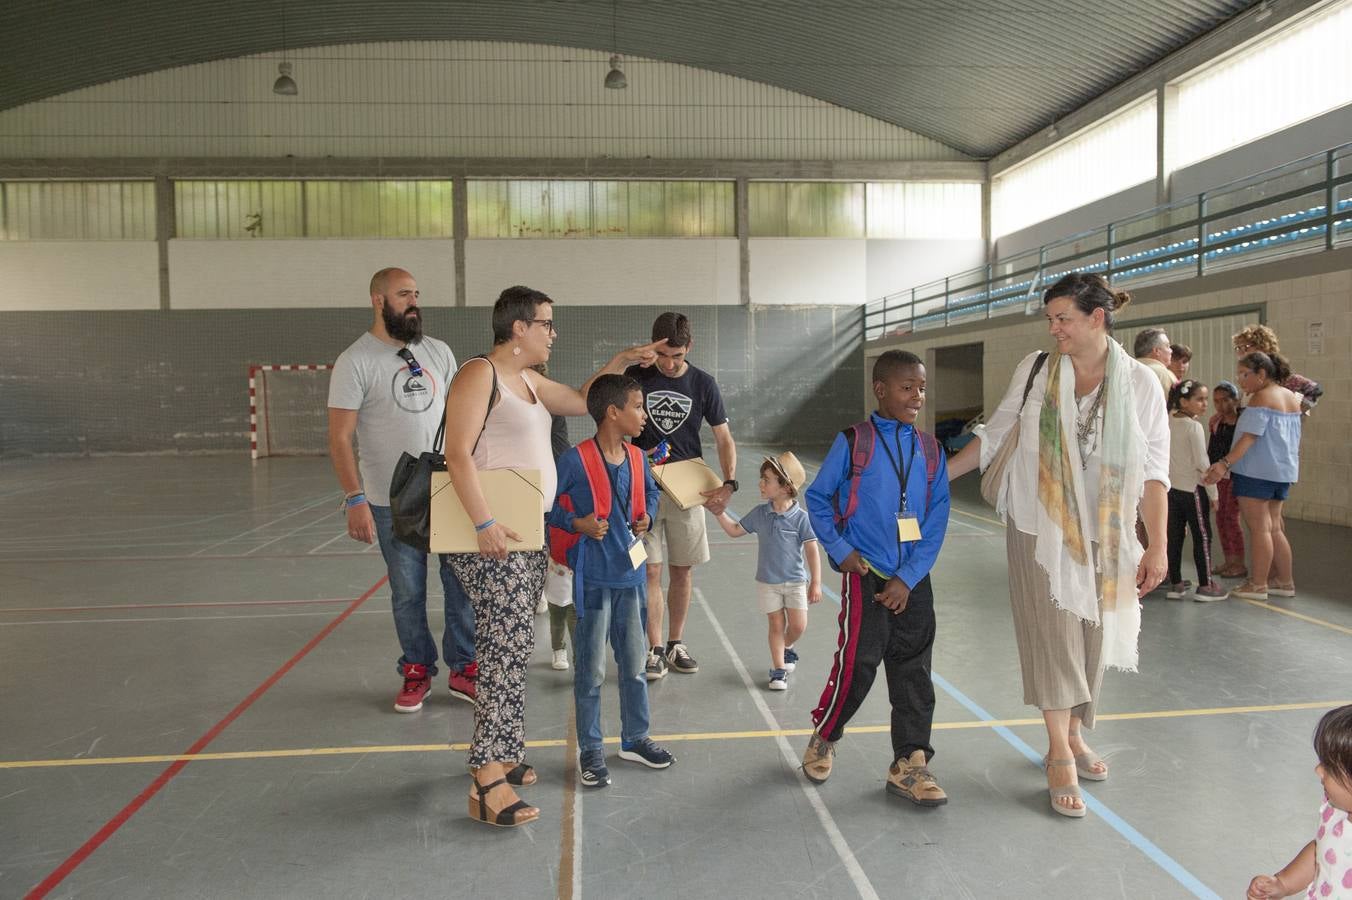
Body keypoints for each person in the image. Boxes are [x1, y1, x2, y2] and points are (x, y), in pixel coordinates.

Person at [948, 272, 1170, 818]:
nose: (1054, 329)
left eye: (1063, 318)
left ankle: (1074, 732)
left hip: (1106, 531)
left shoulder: (1140, 383)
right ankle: (1056, 751)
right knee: (1052, 635)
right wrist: (936, 478)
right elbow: (996, 434)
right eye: (1050, 319)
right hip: (1037, 525)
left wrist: (1158, 546)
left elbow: (1154, 472)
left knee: (1090, 636)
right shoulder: (1037, 370)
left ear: (1097, 318)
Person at [443, 285, 662, 827]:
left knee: (514, 645)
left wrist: (618, 365)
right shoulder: (480, 374)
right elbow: (456, 452)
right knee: (502, 648)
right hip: (493, 534)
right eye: (546, 323)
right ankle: (487, 778)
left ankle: (507, 750)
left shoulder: (530, 382)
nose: (552, 332)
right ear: (518, 327)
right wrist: (484, 522)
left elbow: (583, 399)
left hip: (525, 532)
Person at [801, 350, 952, 808]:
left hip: (913, 580)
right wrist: (842, 551)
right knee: (859, 664)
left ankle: (910, 760)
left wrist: (908, 577)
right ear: (881, 389)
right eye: (907, 387)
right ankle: (826, 734)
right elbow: (819, 498)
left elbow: (938, 515)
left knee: (914, 672)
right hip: (866, 572)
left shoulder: (930, 449)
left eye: (922, 388)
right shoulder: (854, 442)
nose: (917, 396)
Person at [326, 266, 477, 713]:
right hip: (390, 500)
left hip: (449, 490)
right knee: (407, 591)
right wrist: (355, 500)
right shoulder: (355, 361)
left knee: (460, 585)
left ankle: (464, 667)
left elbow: (462, 420)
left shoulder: (440, 352)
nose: (414, 301)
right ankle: (416, 668)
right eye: (404, 294)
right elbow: (339, 438)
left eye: (416, 293)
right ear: (379, 300)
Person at [548, 374, 675, 788]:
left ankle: (635, 738)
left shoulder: (638, 458)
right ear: (613, 412)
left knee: (635, 666)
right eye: (638, 406)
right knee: (591, 672)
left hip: (632, 578)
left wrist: (648, 517)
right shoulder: (574, 460)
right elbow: (547, 509)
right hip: (594, 582)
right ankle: (590, 747)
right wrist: (577, 523)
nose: (644, 415)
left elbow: (652, 495)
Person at [626, 312, 737, 680]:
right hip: (644, 487)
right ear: (653, 347)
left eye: (676, 355)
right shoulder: (637, 377)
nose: (670, 363)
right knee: (650, 569)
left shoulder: (704, 383)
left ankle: (676, 643)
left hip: (688, 490)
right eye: (663, 355)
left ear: (689, 347)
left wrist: (729, 482)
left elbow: (723, 437)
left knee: (682, 570)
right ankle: (654, 649)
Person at [712, 452, 822, 691]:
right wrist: (718, 512)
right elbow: (734, 530)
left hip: (795, 582)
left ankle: (786, 647)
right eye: (762, 478)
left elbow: (812, 550)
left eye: (767, 479)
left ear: (785, 487)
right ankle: (778, 669)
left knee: (798, 626)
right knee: (775, 624)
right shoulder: (760, 514)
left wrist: (815, 582)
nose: (761, 483)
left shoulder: (801, 518)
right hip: (767, 582)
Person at [1203, 351, 1302, 603]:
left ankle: (1258, 585)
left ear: (1262, 374)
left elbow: (1249, 437)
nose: (1241, 380)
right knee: (1275, 526)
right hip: (1282, 471)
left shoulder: (1261, 398)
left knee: (1260, 529)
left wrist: (1224, 463)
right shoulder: (1290, 397)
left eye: (1245, 375)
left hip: (1256, 472)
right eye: (1239, 375)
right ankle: (1284, 581)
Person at [1246, 704, 1352, 899]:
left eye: (1328, 766)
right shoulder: (1335, 808)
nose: (1318, 770)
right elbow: (1321, 850)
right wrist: (1283, 883)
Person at [1165, 380, 1226, 600]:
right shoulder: (1194, 427)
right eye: (1199, 399)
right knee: (1202, 536)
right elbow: (1203, 463)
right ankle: (1206, 585)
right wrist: (1214, 494)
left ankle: (1176, 583)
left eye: (1205, 399)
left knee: (1174, 536)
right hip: (1192, 490)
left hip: (1172, 490)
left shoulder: (1168, 420)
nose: (1204, 404)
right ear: (1183, 401)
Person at [1233, 324, 1323, 416]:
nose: (1241, 352)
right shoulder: (1247, 376)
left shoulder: (1281, 376)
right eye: (1238, 348)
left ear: (1263, 347)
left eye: (1246, 347)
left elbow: (1314, 390)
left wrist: (1295, 412)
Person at [1207, 381, 1247, 578]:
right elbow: (1212, 449)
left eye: (1225, 400)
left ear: (1235, 399)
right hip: (1219, 476)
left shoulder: (1243, 421)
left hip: (1236, 475)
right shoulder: (1217, 423)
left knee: (1232, 518)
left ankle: (1238, 562)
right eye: (1216, 402)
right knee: (1221, 518)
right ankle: (1228, 560)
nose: (1221, 405)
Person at [1133, 327, 1177, 397]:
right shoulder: (1163, 374)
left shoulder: (1124, 372)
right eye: (1167, 346)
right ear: (1156, 351)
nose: (1171, 351)